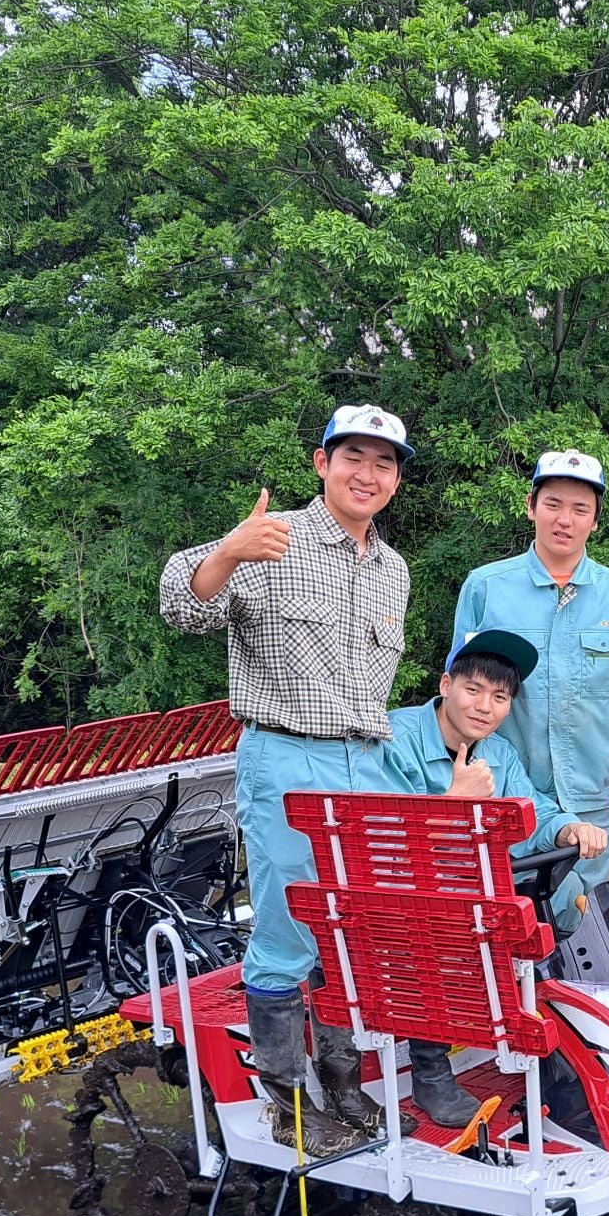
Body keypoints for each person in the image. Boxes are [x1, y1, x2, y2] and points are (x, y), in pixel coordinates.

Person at [158, 404, 415, 1130]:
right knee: (287, 930)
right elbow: (181, 605)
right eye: (353, 457)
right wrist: (228, 552)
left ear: (396, 480)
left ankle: (344, 1083)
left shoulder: (394, 570)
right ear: (322, 463)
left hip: (367, 764)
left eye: (384, 463)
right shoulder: (272, 538)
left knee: (352, 933)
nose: (367, 474)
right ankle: (286, 1100)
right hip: (287, 755)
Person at [356, 628, 609, 1124]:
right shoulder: (392, 739)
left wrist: (568, 828)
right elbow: (378, 845)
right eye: (473, 690)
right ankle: (430, 1070)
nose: (484, 707)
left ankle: (566, 1034)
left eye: (499, 697)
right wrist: (454, 802)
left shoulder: (500, 754)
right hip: (402, 899)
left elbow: (533, 812)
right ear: (446, 684)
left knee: (569, 894)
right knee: (435, 918)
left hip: (477, 892)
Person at [450, 450, 609, 919]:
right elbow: (458, 696)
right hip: (503, 795)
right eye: (553, 504)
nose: (564, 519)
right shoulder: (486, 587)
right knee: (499, 921)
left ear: (595, 519)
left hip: (589, 801)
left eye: (579, 508)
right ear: (531, 506)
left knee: (581, 927)